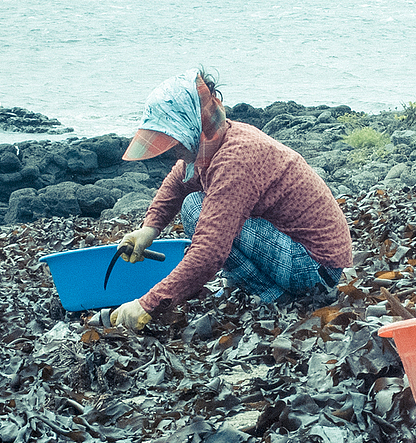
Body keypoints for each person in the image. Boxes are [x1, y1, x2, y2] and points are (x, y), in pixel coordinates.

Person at [109, 67, 352, 330]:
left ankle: (275, 297)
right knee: (195, 206)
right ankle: (268, 291)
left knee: (196, 209)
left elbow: (209, 252)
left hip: (315, 267)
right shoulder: (214, 140)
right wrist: (149, 229)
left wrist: (148, 304)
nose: (169, 152)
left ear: (192, 123)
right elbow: (177, 181)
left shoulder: (234, 160)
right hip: (304, 256)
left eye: (171, 140)